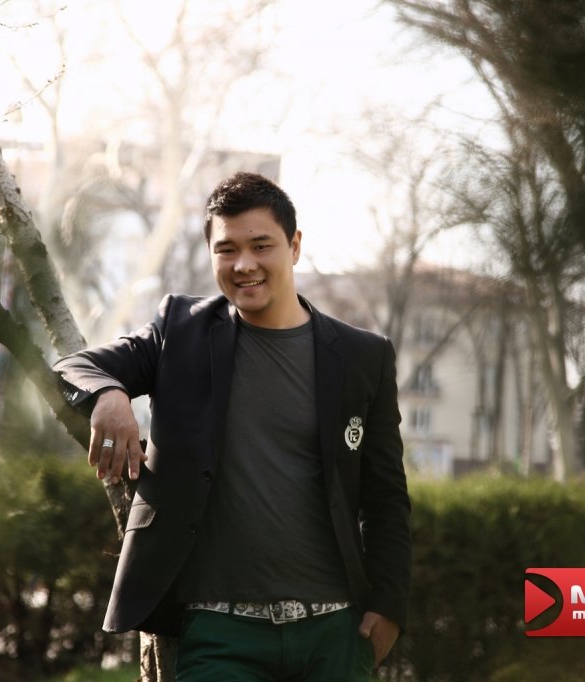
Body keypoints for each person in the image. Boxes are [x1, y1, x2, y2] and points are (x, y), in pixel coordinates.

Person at [53, 171, 411, 680]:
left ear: (295, 246)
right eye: (227, 250)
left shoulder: (362, 356)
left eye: (261, 246)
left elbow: (385, 496)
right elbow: (74, 367)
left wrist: (389, 606)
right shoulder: (181, 332)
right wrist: (109, 396)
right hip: (220, 634)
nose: (244, 264)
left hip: (333, 630)